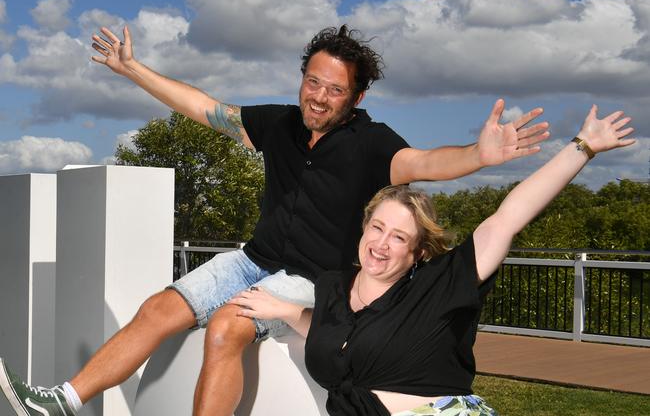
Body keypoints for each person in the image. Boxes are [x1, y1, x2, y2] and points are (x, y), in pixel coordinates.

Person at [0, 25, 548, 416]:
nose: (320, 97)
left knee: (227, 327)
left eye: (336, 90)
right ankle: (62, 402)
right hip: (253, 259)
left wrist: (480, 156)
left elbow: (427, 164)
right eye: (314, 82)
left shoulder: (371, 142)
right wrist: (132, 69)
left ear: (356, 96)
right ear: (303, 78)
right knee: (159, 308)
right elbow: (203, 107)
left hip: (312, 279)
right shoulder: (279, 124)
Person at [228, 105, 634, 415]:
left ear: (418, 251)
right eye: (377, 228)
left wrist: (582, 147)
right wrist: (284, 309)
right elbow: (332, 331)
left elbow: (509, 217)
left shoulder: (439, 284)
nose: (382, 244)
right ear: (363, 229)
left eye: (399, 236)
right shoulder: (333, 286)